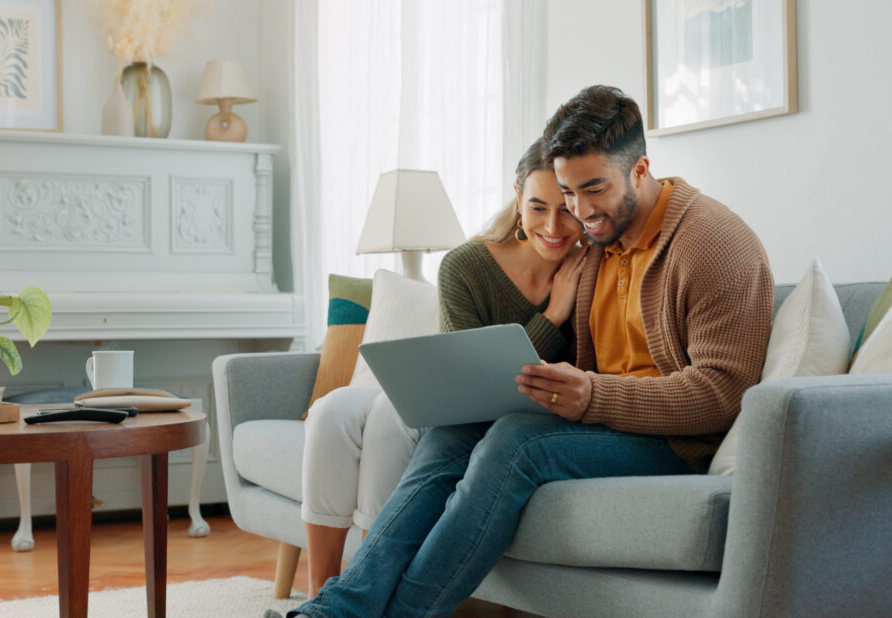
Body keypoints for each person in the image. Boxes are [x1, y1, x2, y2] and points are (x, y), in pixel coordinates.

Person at [274, 85, 773, 618]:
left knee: (517, 441)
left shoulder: (713, 243)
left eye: (593, 190)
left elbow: (724, 394)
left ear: (641, 169)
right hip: (606, 422)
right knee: (455, 431)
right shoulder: (599, 241)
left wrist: (592, 395)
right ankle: (334, 610)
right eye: (567, 192)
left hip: (676, 441)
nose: (580, 212)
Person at [295, 137, 587, 598]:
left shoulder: (589, 269)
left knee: (391, 419)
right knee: (331, 411)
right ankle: (321, 593)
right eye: (537, 207)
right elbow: (468, 382)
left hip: (491, 416)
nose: (553, 226)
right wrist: (552, 317)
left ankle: (369, 592)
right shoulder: (467, 265)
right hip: (451, 399)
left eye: (566, 209)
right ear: (517, 199)